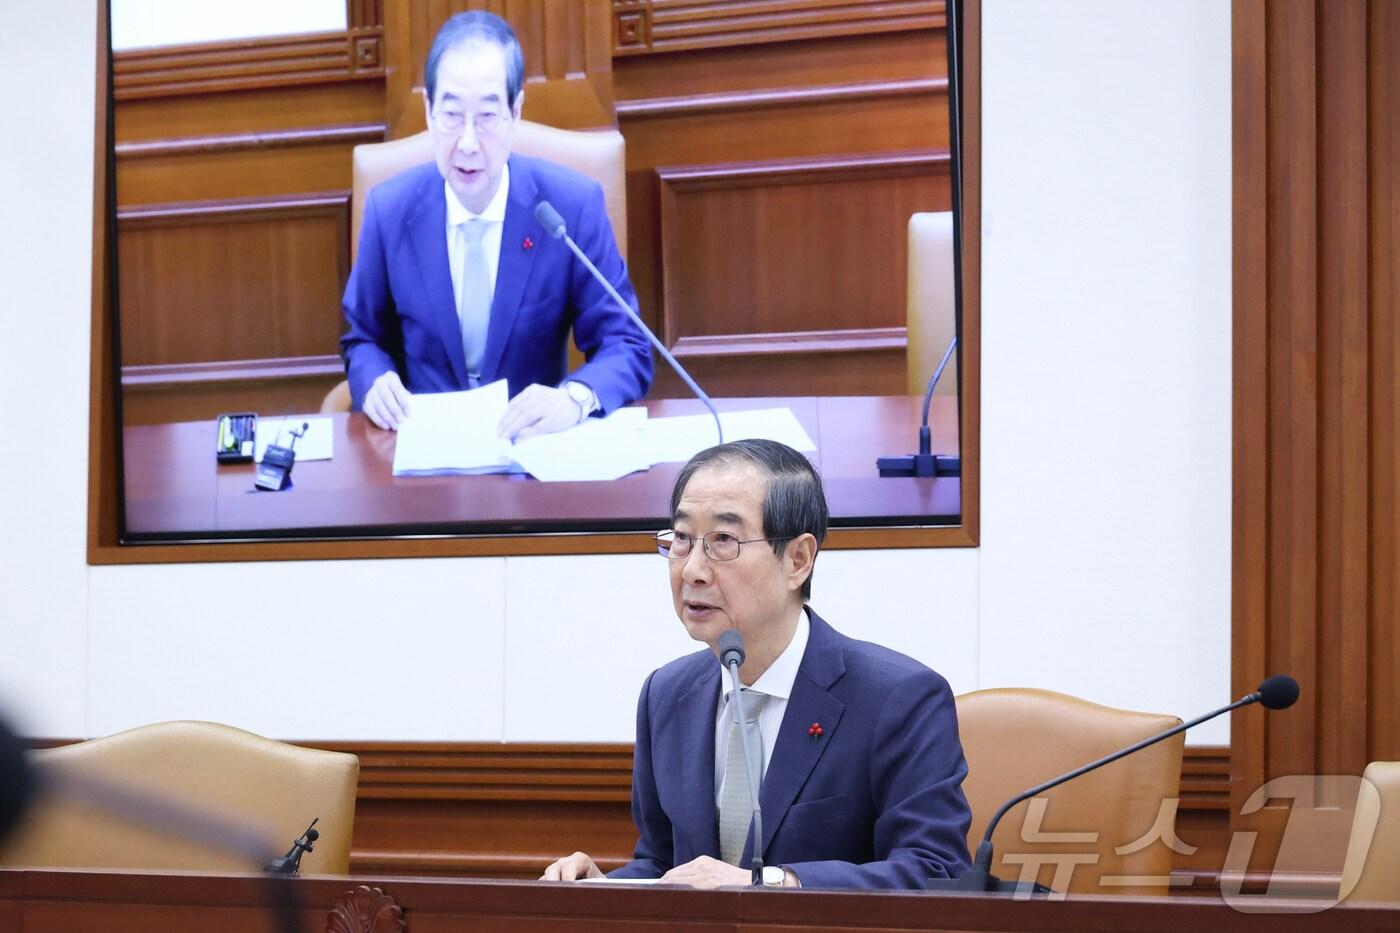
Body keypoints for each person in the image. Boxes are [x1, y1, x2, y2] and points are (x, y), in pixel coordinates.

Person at [542, 440, 972, 889]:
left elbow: (934, 870)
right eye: (682, 540)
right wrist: (606, 888)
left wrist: (770, 882)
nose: (692, 570)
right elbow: (663, 865)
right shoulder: (666, 695)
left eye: (723, 541)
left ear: (798, 560)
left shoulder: (899, 698)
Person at [340, 11, 653, 439]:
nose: (467, 143)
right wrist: (375, 381)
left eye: (487, 116)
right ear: (429, 111)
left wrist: (573, 400)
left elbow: (627, 343)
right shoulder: (389, 211)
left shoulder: (569, 207)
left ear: (515, 111)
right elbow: (363, 340)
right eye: (451, 115)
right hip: (422, 457)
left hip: (532, 455)